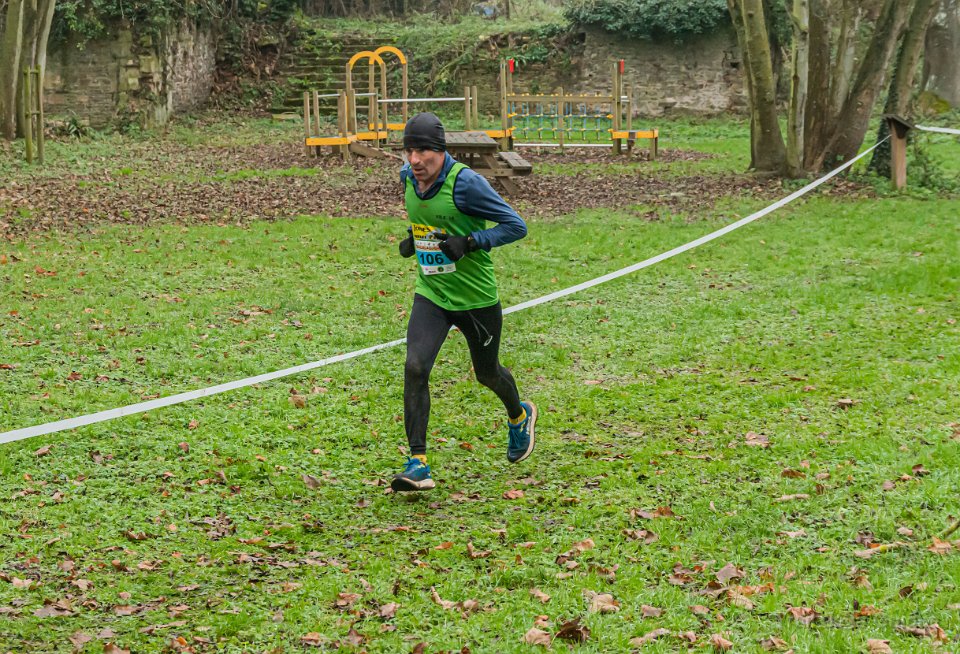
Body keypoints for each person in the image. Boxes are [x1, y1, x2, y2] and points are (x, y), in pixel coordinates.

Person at [391, 112, 536, 492]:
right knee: (415, 367)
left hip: (475, 299)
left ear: (441, 150)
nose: (414, 160)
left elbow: (515, 226)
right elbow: (429, 220)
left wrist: (470, 242)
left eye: (422, 151)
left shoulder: (467, 184)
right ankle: (418, 462)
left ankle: (519, 416)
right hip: (432, 293)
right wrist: (415, 240)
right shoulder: (408, 177)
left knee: (487, 374)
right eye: (409, 151)